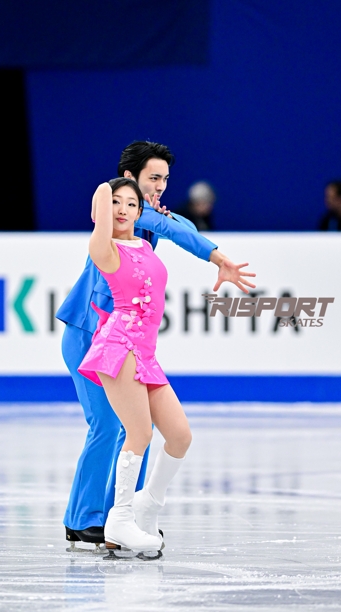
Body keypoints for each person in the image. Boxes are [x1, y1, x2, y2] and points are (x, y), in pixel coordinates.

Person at [56, 140, 256, 547]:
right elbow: (169, 227)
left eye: (165, 179)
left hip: (126, 343)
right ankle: (83, 518)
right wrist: (217, 258)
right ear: (128, 179)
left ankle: (123, 514)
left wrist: (214, 255)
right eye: (153, 178)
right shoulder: (115, 220)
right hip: (89, 335)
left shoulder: (144, 224)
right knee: (109, 424)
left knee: (140, 426)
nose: (161, 186)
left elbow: (176, 224)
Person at [77, 177, 194, 552]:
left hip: (145, 352)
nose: (123, 209)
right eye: (116, 202)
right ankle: (119, 519)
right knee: (139, 432)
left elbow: (182, 231)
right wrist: (107, 190)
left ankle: (148, 504)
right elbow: (102, 204)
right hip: (119, 346)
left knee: (179, 435)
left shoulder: (144, 244)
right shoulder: (105, 249)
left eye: (130, 203)